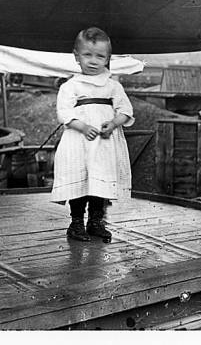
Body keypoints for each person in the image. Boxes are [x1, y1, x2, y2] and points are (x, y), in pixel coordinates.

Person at [51, 27, 134, 242]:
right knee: (79, 179)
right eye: (87, 55)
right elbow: (64, 112)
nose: (93, 61)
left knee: (100, 180)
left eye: (100, 56)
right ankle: (76, 222)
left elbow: (125, 110)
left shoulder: (113, 86)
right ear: (76, 56)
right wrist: (83, 127)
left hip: (104, 142)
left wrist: (114, 123)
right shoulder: (71, 86)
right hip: (79, 141)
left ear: (107, 58)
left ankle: (95, 221)